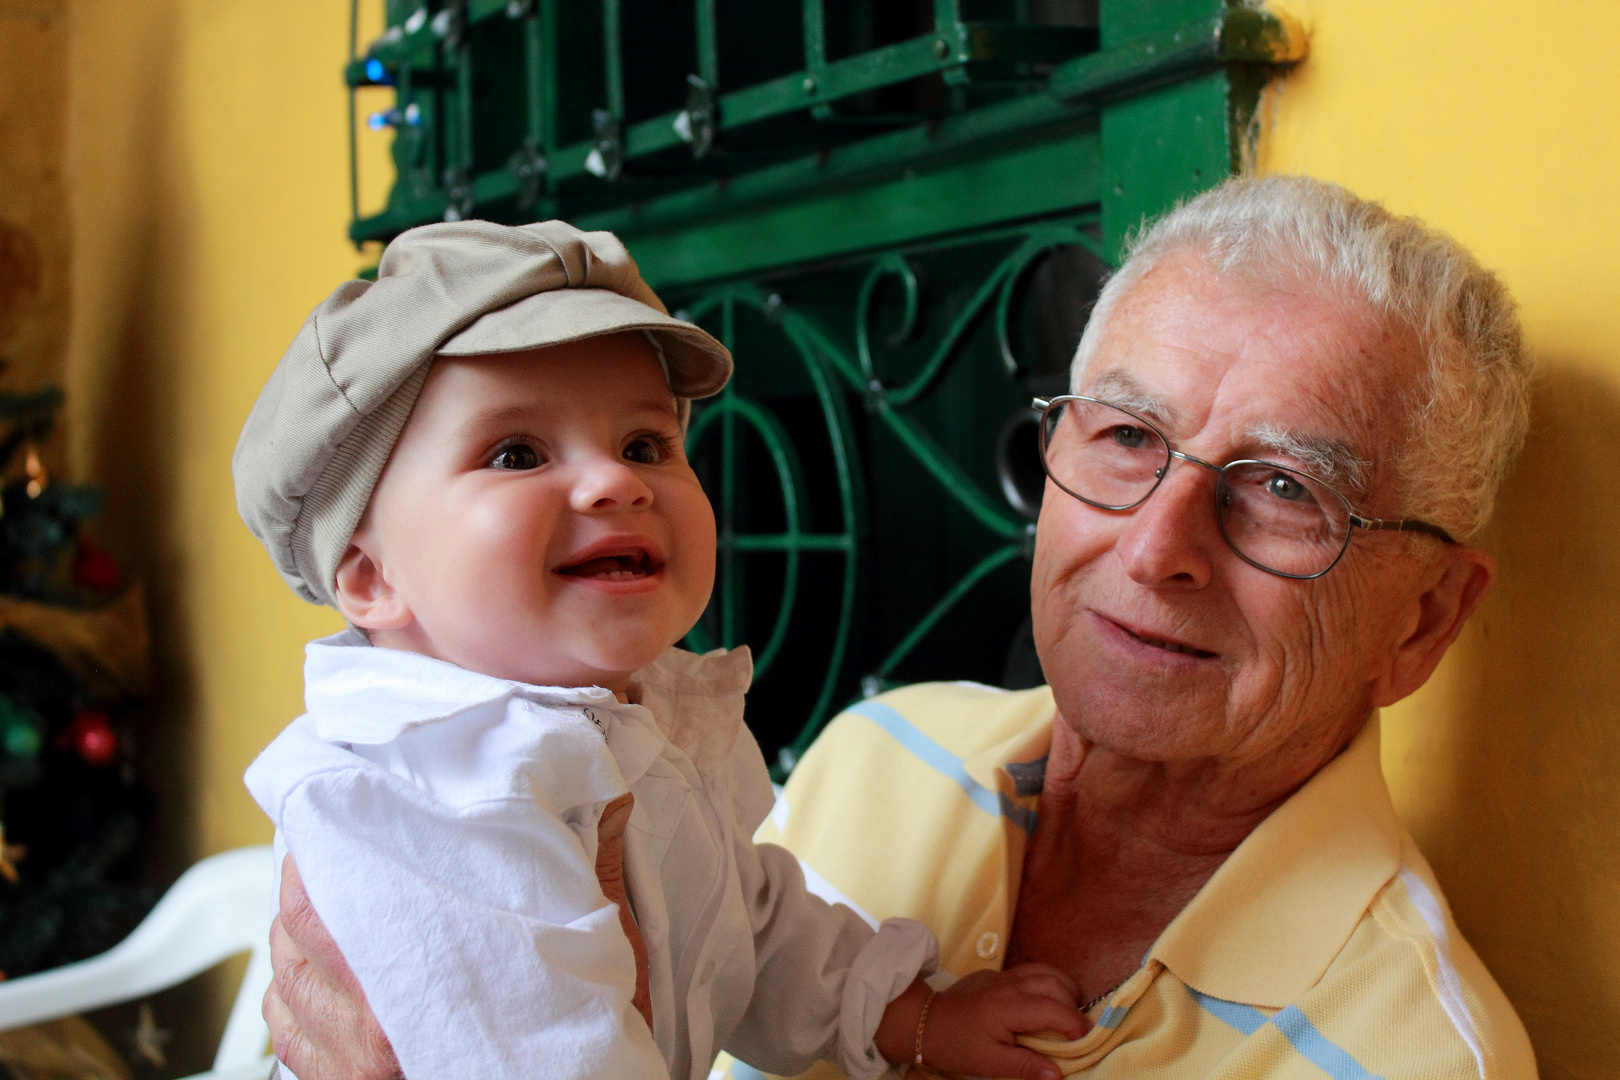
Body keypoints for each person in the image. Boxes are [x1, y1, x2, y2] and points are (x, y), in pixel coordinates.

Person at [261, 176, 1541, 1079]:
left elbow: (759, 942)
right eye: (1128, 439)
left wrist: (914, 1019)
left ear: (1423, 621)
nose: (1157, 550)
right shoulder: (881, 751)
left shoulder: (1408, 1055)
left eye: (1281, 491)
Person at [231, 220, 1088, 1080]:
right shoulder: (432, 796)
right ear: (372, 576)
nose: (617, 480)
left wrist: (914, 1014)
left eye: (646, 444)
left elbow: (744, 924)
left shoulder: (623, 716)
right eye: (517, 452)